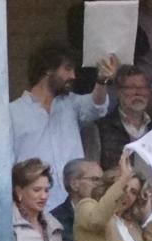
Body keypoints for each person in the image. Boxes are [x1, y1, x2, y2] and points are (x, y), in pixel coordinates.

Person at [8, 44, 115, 211]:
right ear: (48, 70)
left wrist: (101, 81)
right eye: (67, 69)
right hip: (35, 207)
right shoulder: (12, 112)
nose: (73, 76)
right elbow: (5, 165)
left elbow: (97, 106)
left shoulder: (71, 104)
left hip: (74, 205)